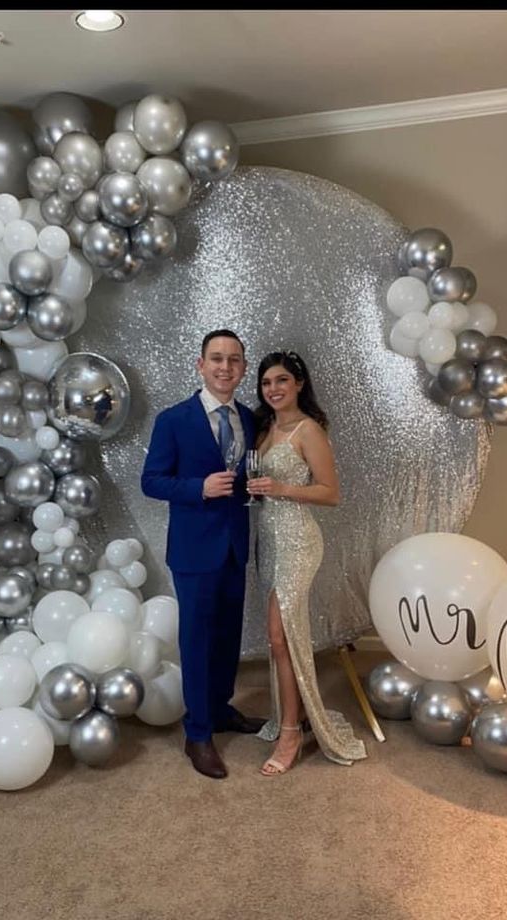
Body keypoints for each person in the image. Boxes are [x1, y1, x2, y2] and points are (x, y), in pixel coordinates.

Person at [141, 330, 266, 779]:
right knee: (197, 639)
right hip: (194, 550)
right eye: (216, 359)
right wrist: (198, 488)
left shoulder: (249, 418)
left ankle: (219, 708)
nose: (225, 367)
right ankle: (197, 733)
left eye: (234, 360)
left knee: (228, 634)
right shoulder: (173, 419)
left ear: (243, 368)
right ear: (200, 365)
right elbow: (151, 480)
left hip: (235, 542)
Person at [247, 350, 367, 775]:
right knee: (278, 637)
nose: (274, 389)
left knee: (283, 636)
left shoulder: (308, 429)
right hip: (268, 538)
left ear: (298, 383)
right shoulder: (264, 429)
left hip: (298, 538)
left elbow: (330, 492)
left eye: (281, 381)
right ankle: (291, 719)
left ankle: (291, 732)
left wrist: (280, 487)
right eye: (266, 383)